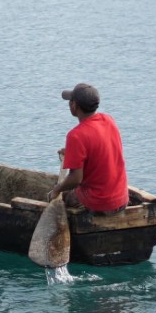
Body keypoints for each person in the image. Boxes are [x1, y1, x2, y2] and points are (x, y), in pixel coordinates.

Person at [51, 82, 130, 215]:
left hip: (99, 204)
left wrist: (57, 189)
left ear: (74, 105)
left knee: (61, 199)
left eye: (70, 101)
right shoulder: (109, 120)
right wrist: (72, 152)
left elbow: (76, 179)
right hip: (121, 200)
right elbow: (99, 148)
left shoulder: (76, 135)